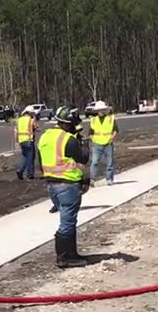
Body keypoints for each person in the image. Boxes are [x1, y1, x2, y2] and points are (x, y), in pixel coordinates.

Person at [37, 106, 91, 268]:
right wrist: (84, 142)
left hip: (52, 184)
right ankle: (64, 257)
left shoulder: (45, 137)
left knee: (69, 219)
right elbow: (84, 158)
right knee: (67, 222)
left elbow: (40, 163)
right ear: (68, 123)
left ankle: (72, 253)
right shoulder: (68, 139)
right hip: (68, 185)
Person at [86, 101, 118, 185]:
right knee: (95, 162)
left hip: (108, 143)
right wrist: (93, 139)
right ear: (97, 111)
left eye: (102, 109)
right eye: (99, 110)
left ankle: (109, 179)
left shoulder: (110, 119)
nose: (101, 111)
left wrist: (111, 138)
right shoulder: (93, 120)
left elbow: (115, 130)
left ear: (104, 109)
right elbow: (90, 132)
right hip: (97, 144)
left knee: (110, 162)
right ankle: (93, 179)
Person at [14, 108, 38, 180]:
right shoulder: (31, 120)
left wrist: (16, 142)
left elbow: (15, 131)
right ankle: (30, 174)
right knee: (30, 157)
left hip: (21, 141)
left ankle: (20, 170)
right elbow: (36, 127)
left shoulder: (19, 120)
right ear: (30, 113)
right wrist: (35, 120)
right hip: (29, 141)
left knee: (25, 156)